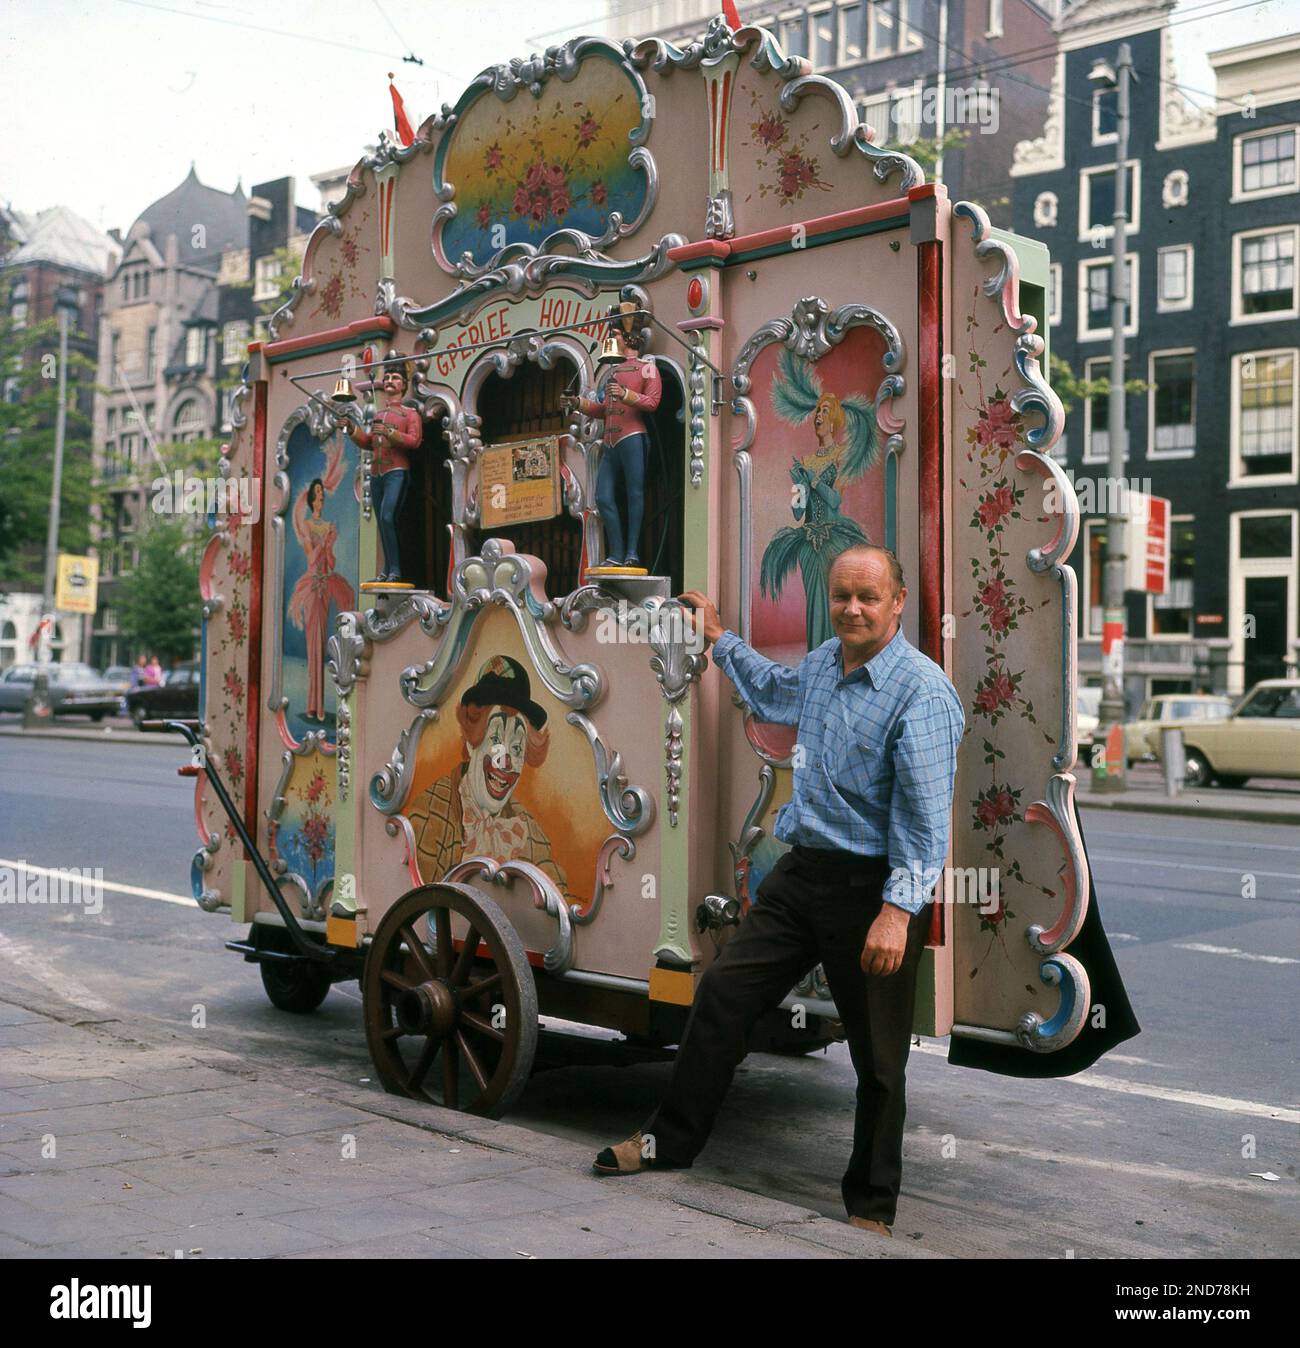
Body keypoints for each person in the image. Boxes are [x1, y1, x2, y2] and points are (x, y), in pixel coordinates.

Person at [592, 543, 964, 1238]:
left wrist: (896, 911)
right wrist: (720, 638)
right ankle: (667, 1142)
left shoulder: (922, 692)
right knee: (723, 995)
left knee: (878, 1062)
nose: (852, 608)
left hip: (875, 891)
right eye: (842, 596)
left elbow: (925, 820)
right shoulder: (825, 663)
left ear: (898, 603)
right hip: (802, 877)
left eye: (868, 597)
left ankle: (871, 1207)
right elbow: (773, 691)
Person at [405, 655, 571, 899]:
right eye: (495, 740)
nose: (506, 761)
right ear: (473, 742)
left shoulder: (529, 833)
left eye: (516, 748)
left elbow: (558, 899)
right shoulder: (430, 812)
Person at [760, 348, 879, 651]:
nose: (819, 418)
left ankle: (840, 655)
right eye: (817, 414)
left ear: (834, 421)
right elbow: (799, 512)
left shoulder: (841, 456)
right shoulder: (807, 460)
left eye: (825, 414)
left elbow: (835, 500)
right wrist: (798, 484)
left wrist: (812, 481)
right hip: (808, 542)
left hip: (834, 538)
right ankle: (817, 656)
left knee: (835, 597)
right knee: (815, 597)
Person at [561, 305, 661, 569]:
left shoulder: (646, 368)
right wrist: (577, 403)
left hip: (632, 437)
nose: (611, 340)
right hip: (610, 441)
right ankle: (616, 552)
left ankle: (631, 552)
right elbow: (603, 410)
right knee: (603, 497)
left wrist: (626, 395)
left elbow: (652, 402)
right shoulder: (612, 373)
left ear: (628, 339)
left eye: (615, 335)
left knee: (634, 494)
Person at [287, 437, 355, 722]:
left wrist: (330, 543)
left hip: (326, 583)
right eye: (317, 495)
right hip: (313, 585)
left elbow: (330, 561)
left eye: (322, 496)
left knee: (326, 640)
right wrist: (321, 544)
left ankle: (321, 703)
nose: (320, 500)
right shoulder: (308, 527)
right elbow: (313, 558)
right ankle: (313, 706)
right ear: (312, 498)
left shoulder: (328, 526)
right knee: (313, 643)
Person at [351, 360, 423, 583]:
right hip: (376, 473)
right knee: (381, 522)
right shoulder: (379, 414)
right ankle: (387, 569)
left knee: (388, 516)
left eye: (395, 378)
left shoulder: (410, 414)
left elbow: (415, 441)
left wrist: (391, 433)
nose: (390, 381)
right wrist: (350, 429)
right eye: (388, 377)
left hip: (396, 471)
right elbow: (368, 442)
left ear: (403, 385)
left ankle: (396, 570)